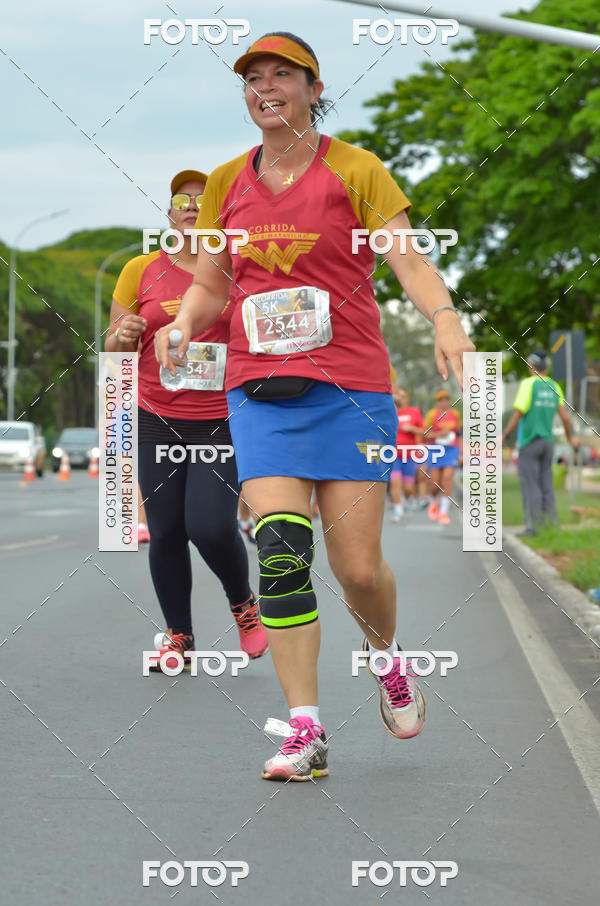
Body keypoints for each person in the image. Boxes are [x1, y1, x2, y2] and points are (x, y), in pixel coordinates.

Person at [155, 33, 474, 780]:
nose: (265, 88)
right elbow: (211, 281)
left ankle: (387, 657)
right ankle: (306, 728)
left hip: (350, 390)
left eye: (281, 76)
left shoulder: (356, 169)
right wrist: (184, 322)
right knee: (281, 551)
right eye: (253, 79)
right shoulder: (227, 181)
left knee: (357, 570)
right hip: (258, 392)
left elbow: (408, 258)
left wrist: (446, 319)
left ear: (312, 88)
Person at [105, 169, 268, 665]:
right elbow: (114, 348)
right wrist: (123, 335)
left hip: (221, 417)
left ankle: (243, 604)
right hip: (156, 416)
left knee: (210, 527)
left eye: (203, 199)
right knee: (167, 531)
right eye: (182, 199)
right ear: (169, 212)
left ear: (219, 211)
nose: (192, 206)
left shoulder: (236, 265)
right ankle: (180, 634)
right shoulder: (140, 269)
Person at [502, 350, 578, 536]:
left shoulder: (528, 384)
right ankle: (551, 525)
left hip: (530, 441)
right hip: (548, 443)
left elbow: (518, 413)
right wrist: (570, 438)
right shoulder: (554, 386)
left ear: (532, 365)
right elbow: (565, 418)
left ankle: (533, 527)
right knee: (546, 485)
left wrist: (505, 434)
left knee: (530, 484)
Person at [424, 390, 462, 526]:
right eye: (441, 400)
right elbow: (425, 435)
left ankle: (443, 512)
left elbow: (459, 434)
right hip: (436, 450)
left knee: (447, 478)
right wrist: (440, 434)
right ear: (437, 402)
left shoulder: (455, 415)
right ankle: (434, 502)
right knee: (435, 484)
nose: (444, 402)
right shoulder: (432, 415)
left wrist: (461, 452)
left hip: (452, 450)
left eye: (446, 399)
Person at [389, 387, 424, 522]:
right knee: (395, 483)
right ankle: (398, 511)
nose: (401, 399)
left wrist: (412, 428)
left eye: (403, 396)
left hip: (409, 455)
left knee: (408, 488)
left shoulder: (414, 412)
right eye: (398, 396)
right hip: (393, 454)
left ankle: (406, 502)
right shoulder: (390, 412)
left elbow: (424, 432)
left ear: (407, 399)